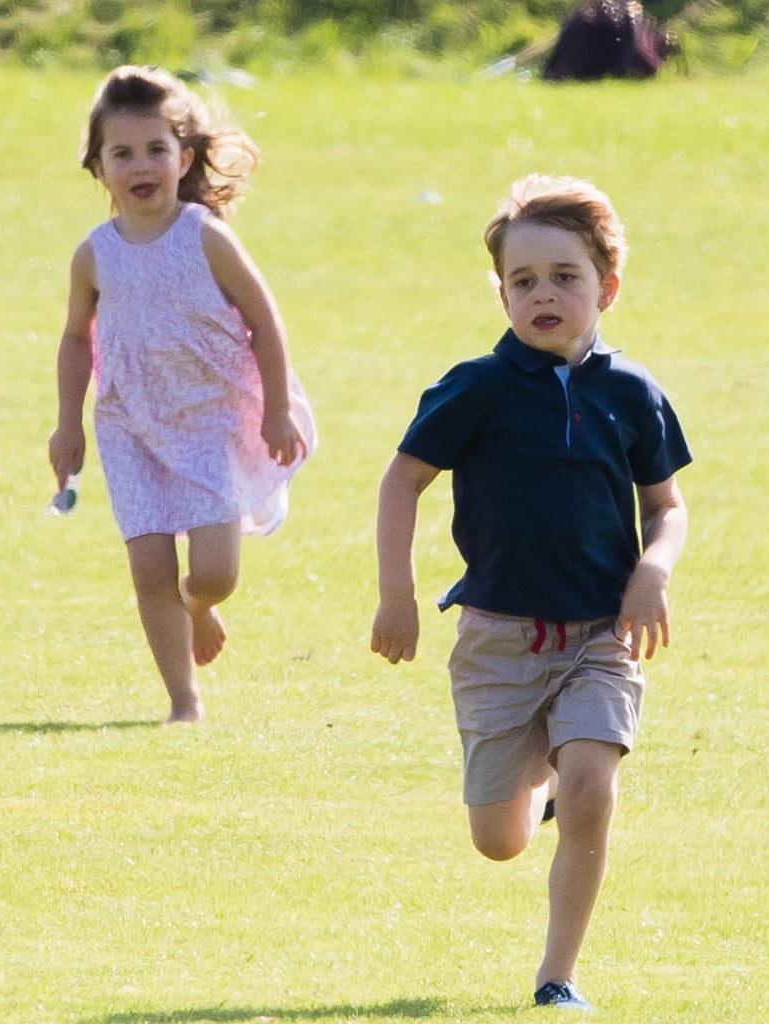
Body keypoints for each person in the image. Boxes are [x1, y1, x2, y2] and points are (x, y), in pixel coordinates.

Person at [371, 174, 691, 1011]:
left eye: (563, 277)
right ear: (501, 291)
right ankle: (537, 779)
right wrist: (396, 595)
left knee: (590, 782)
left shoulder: (632, 393)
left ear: (606, 287)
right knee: (497, 841)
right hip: (497, 641)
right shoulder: (475, 387)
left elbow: (666, 506)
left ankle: (558, 977)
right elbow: (402, 480)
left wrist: (652, 570)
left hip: (598, 637)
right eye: (522, 281)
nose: (542, 294)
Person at [49, 65, 317, 723]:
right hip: (129, 425)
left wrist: (278, 407)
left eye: (155, 150)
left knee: (216, 571)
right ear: (97, 166)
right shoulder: (93, 254)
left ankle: (199, 605)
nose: (140, 165)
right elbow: (77, 341)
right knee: (147, 567)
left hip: (210, 421)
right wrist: (68, 425)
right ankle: (182, 701)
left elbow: (265, 319)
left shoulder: (205, 235)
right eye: (122, 153)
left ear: (184, 157)